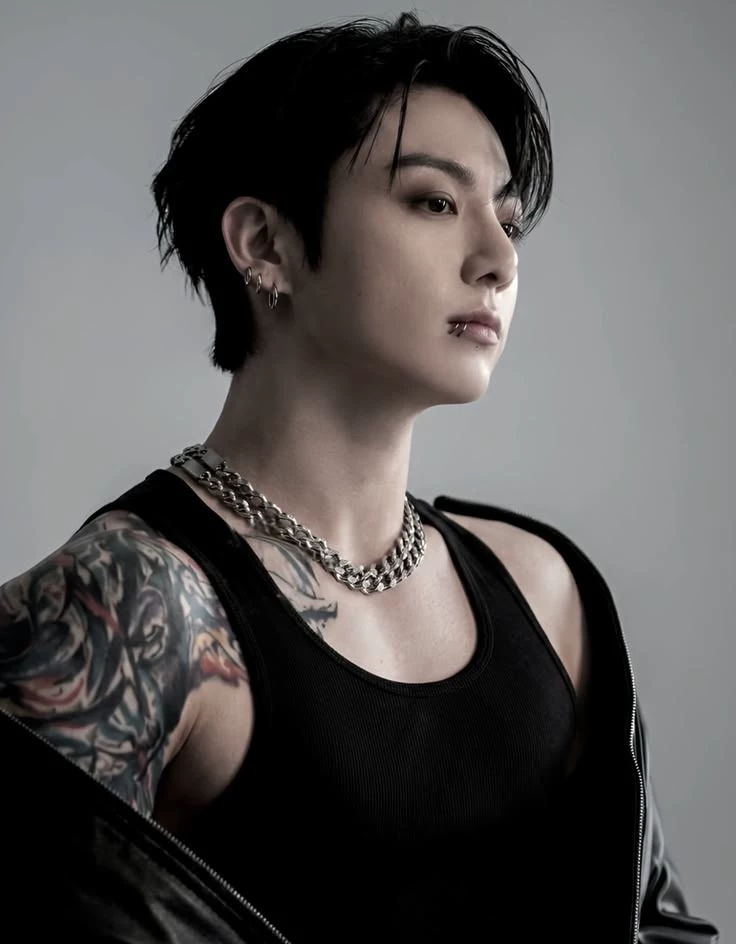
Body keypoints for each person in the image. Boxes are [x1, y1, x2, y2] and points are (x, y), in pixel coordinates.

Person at [0, 11, 719, 943]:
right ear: (264, 244)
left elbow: (657, 928)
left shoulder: (547, 593)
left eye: (507, 219)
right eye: (434, 201)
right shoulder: (130, 605)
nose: (499, 261)